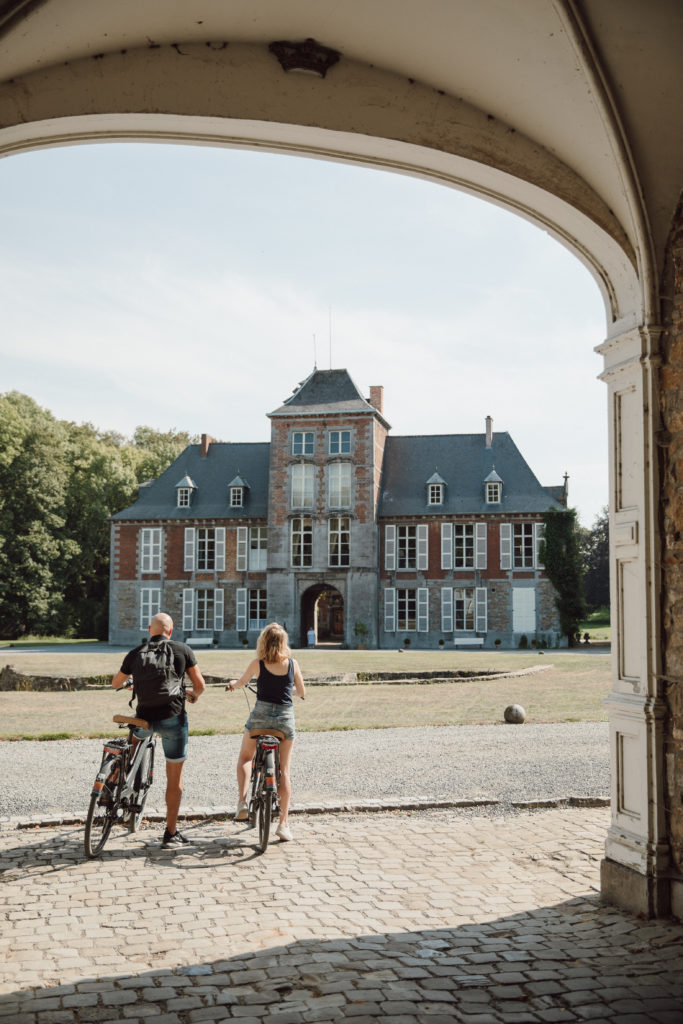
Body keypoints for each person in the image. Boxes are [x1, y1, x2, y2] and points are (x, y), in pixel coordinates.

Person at [111, 612, 206, 848]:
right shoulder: (182, 650)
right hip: (173, 717)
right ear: (170, 632)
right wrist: (193, 695)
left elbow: (115, 683)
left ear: (149, 630)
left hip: (144, 718)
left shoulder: (136, 653)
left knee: (133, 744)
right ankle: (170, 833)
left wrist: (131, 683)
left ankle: (114, 779)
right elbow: (200, 685)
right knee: (174, 778)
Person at [227, 622, 305, 842]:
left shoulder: (258, 663)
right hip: (284, 721)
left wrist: (233, 684)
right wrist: (289, 691)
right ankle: (283, 824)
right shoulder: (293, 664)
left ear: (263, 641)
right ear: (284, 642)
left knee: (245, 757)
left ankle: (242, 802)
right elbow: (301, 691)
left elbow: (242, 683)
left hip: (260, 718)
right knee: (284, 771)